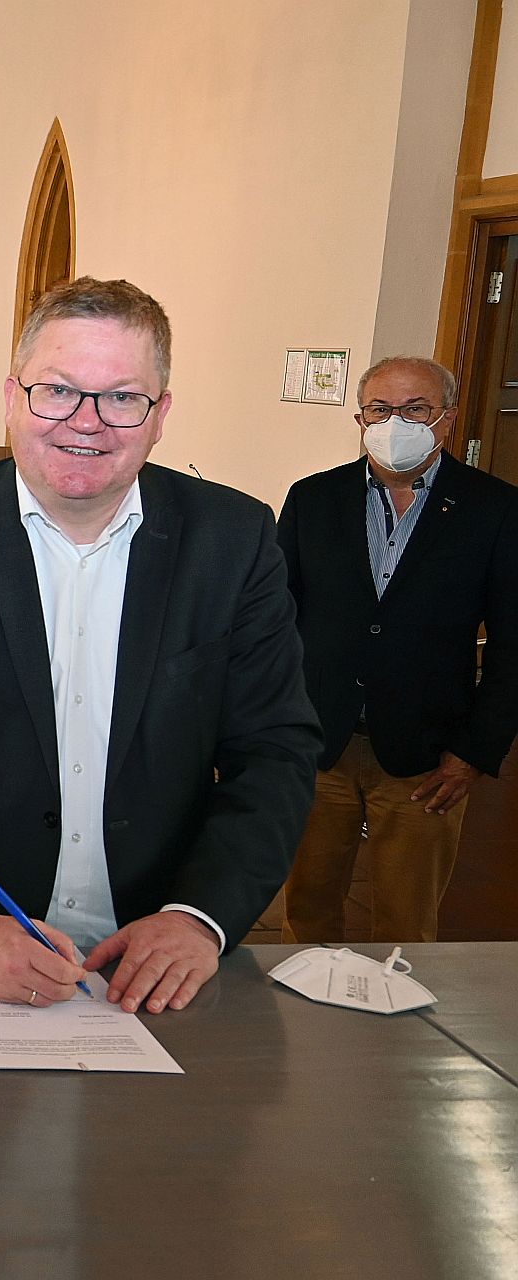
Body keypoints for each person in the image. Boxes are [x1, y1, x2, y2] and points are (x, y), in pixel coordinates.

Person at [0, 277, 319, 1012]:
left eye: (122, 397)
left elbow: (275, 750)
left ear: (160, 415)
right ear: (10, 396)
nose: (86, 422)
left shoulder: (234, 541)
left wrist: (199, 918)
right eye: (57, 390)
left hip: (154, 959)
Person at [277, 355, 518, 943]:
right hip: (318, 747)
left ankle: (401, 1031)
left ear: (448, 420)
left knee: (407, 925)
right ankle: (301, 1026)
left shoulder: (495, 509)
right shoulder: (313, 499)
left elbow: (514, 646)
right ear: (360, 417)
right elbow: (274, 622)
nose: (397, 422)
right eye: (382, 409)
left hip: (429, 757)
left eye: (416, 409)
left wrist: (473, 753)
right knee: (305, 912)